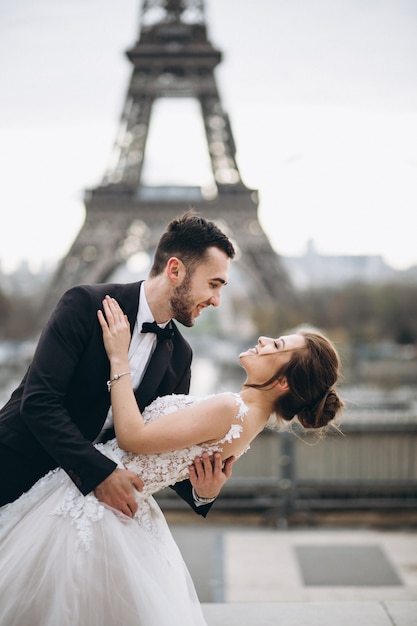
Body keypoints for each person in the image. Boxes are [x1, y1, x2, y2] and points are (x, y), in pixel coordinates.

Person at [0, 296, 344, 626]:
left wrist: (118, 359)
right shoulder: (248, 421)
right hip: (115, 509)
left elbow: (132, 439)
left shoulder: (230, 408)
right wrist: (204, 493)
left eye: (278, 347)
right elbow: (175, 455)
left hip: (95, 504)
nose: (264, 339)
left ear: (283, 382)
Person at [0, 211, 236, 516]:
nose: (217, 299)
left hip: (72, 507)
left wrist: (202, 492)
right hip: (13, 471)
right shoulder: (84, 305)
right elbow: (38, 402)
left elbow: (161, 444)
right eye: (213, 284)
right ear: (175, 270)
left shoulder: (180, 355)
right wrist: (100, 473)